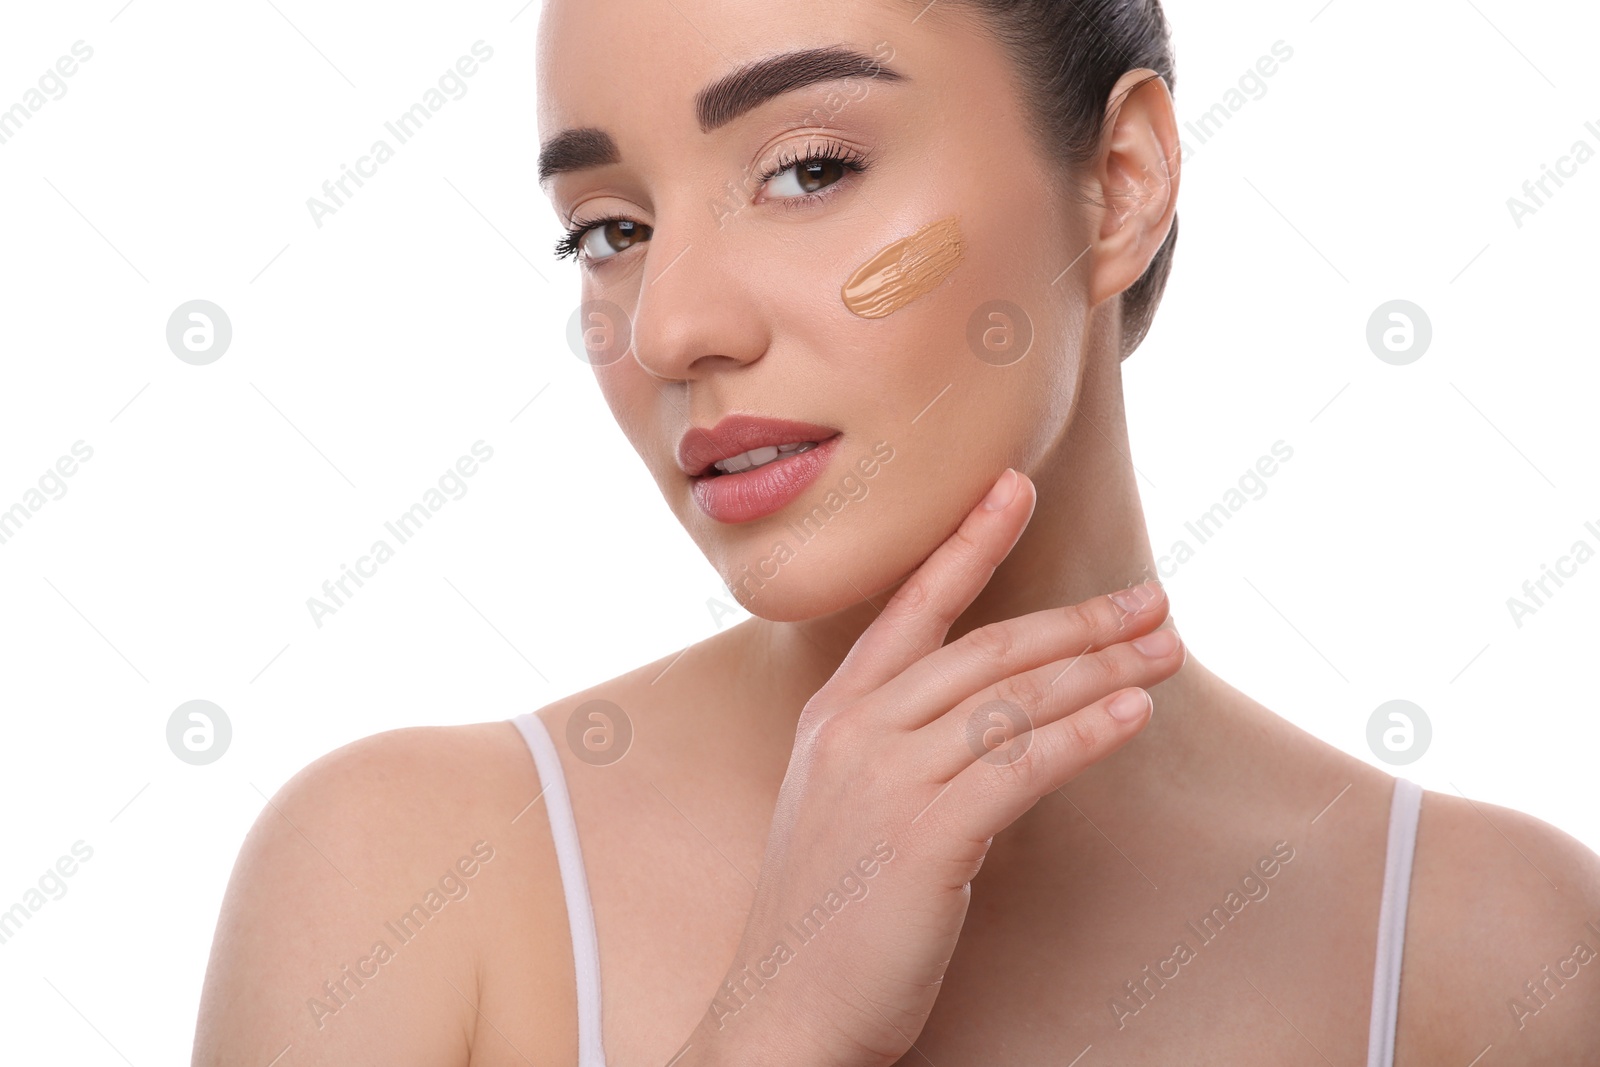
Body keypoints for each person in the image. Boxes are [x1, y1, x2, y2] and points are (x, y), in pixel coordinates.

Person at [191, 0, 1600, 1063]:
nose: (675, 323)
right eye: (607, 228)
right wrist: (777, 1018)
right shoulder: (403, 884)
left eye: (807, 170)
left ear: (1119, 182)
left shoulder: (1494, 954)